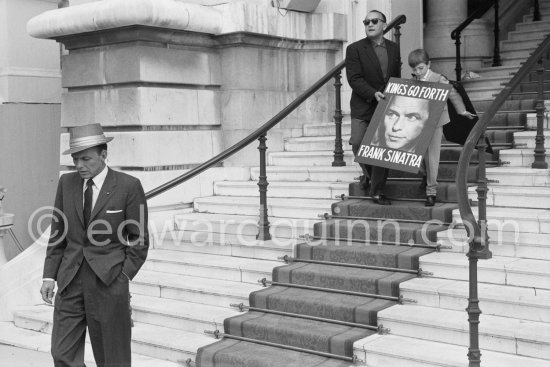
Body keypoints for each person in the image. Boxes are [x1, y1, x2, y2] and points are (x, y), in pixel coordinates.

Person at [40, 123, 149, 367]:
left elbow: (139, 238)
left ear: (103, 154)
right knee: (62, 354)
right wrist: (49, 276)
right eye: (76, 159)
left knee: (113, 359)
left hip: (108, 282)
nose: (79, 165)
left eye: (86, 159)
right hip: (70, 281)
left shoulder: (128, 186)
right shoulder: (66, 183)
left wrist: (123, 275)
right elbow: (58, 232)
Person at [346, 9, 401, 205]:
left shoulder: (394, 48)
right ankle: (369, 175)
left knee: (380, 149)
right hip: (363, 104)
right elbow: (354, 78)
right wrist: (372, 93)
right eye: (366, 21)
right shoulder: (354, 49)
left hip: (386, 104)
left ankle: (377, 191)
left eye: (374, 21)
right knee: (357, 143)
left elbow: (396, 77)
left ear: (384, 25)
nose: (369, 24)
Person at [408, 49, 476, 206]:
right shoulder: (412, 81)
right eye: (414, 69)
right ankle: (425, 174)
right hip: (417, 123)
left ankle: (431, 192)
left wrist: (462, 111)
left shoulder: (439, 79)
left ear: (428, 64)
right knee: (414, 156)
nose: (417, 72)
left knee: (432, 157)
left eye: (420, 68)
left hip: (435, 122)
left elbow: (452, 94)